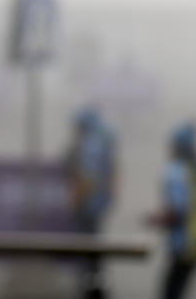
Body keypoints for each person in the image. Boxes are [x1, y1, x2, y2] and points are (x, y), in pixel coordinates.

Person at [146, 122, 196, 299]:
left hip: (184, 241)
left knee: (170, 290)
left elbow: (179, 211)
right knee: (180, 287)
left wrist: (155, 219)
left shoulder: (175, 172)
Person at [64, 106, 117, 296]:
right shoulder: (101, 143)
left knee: (87, 248)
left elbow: (83, 178)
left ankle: (90, 288)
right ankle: (97, 284)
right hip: (98, 203)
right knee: (95, 247)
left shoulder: (87, 147)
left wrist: (75, 201)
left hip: (87, 205)